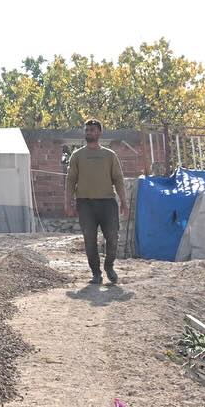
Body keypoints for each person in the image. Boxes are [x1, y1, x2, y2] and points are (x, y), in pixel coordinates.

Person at [66, 118, 127, 285]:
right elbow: (71, 180)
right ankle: (96, 273)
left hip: (107, 203)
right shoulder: (77, 155)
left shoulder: (109, 155)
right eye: (87, 130)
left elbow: (118, 179)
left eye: (92, 130)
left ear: (99, 132)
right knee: (89, 239)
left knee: (113, 237)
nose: (89, 133)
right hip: (85, 204)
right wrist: (68, 202)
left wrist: (123, 201)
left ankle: (109, 266)